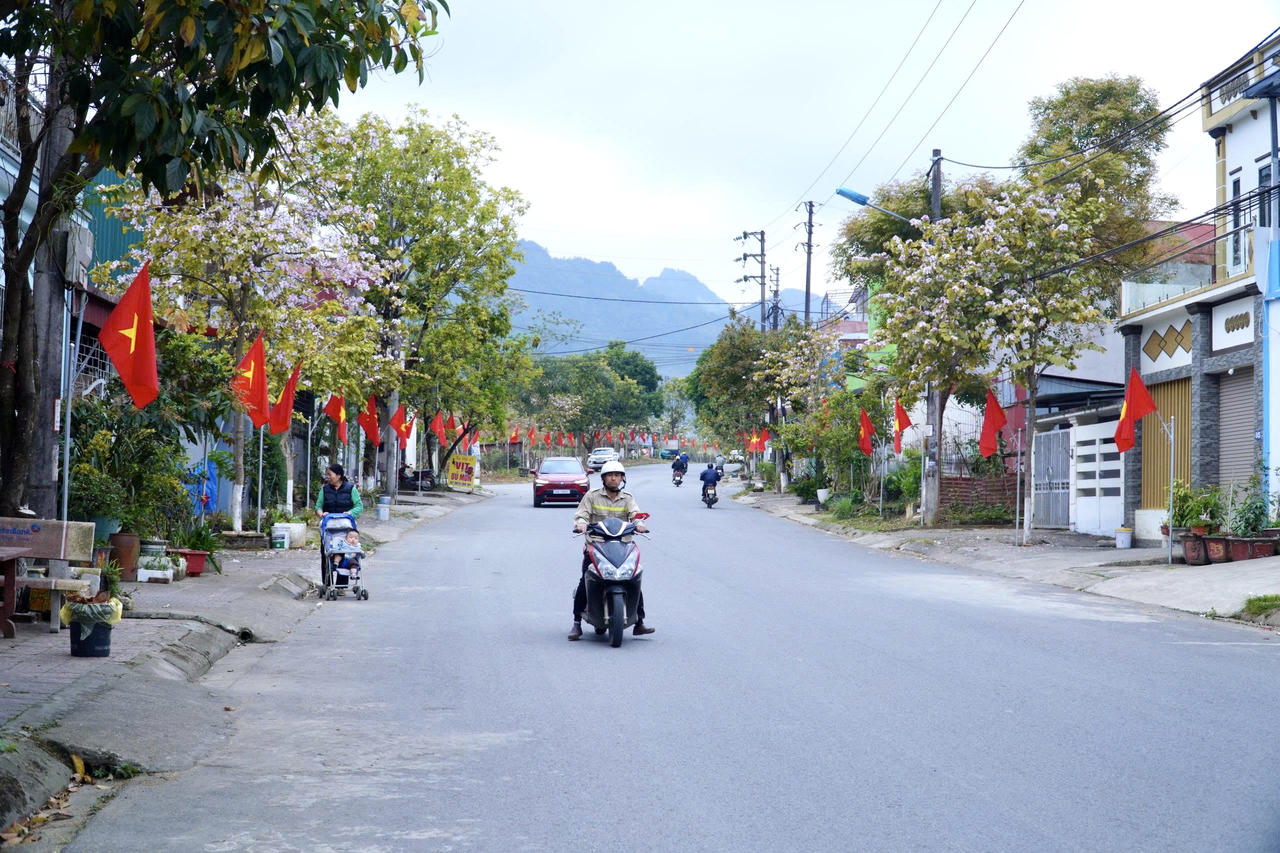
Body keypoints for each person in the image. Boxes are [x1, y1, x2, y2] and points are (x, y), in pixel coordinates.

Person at [569, 460, 652, 640]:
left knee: (633, 579)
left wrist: (640, 524)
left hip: (622, 547)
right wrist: (581, 524)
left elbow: (635, 514)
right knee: (585, 581)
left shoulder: (627, 498)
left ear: (622, 478)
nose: (613, 478)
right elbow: (581, 515)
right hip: (596, 546)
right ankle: (576, 623)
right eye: (610, 475)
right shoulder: (592, 496)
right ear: (603, 478)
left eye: (617, 475)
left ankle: (639, 622)